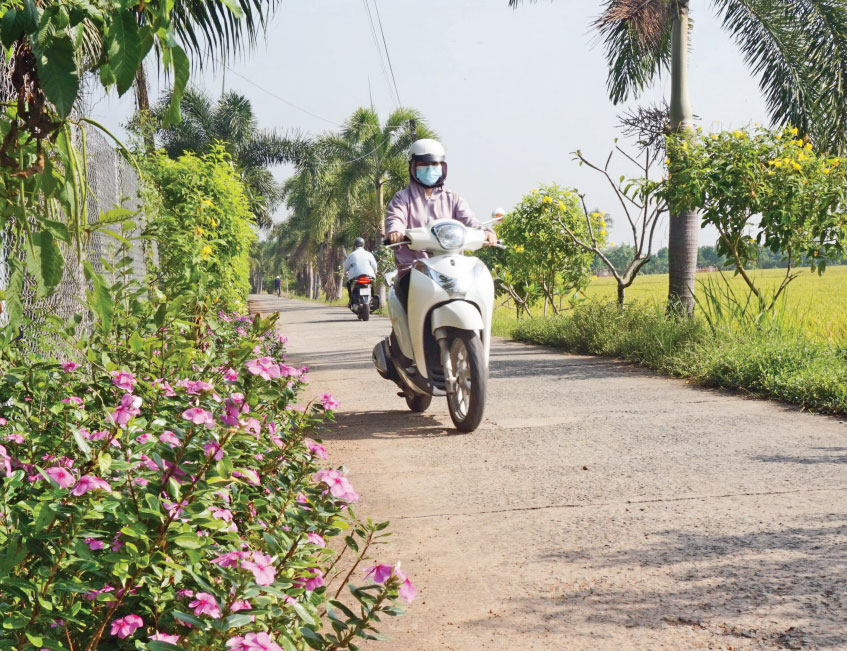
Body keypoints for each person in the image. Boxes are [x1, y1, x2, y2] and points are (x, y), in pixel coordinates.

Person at [385, 138, 496, 307]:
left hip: (451, 268)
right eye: (423, 164)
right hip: (414, 270)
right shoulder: (402, 198)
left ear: (443, 167)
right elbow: (396, 218)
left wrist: (485, 231)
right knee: (408, 302)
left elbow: (470, 220)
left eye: (435, 164)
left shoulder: (453, 198)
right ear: (413, 167)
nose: (430, 169)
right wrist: (395, 232)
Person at [342, 237, 378, 304]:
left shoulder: (351, 255)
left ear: (355, 245)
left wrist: (344, 272)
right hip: (369, 276)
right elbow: (375, 266)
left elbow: (345, 267)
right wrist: (375, 272)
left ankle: (351, 300)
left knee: (348, 284)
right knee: (372, 285)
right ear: (363, 244)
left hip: (356, 277)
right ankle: (372, 298)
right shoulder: (369, 254)